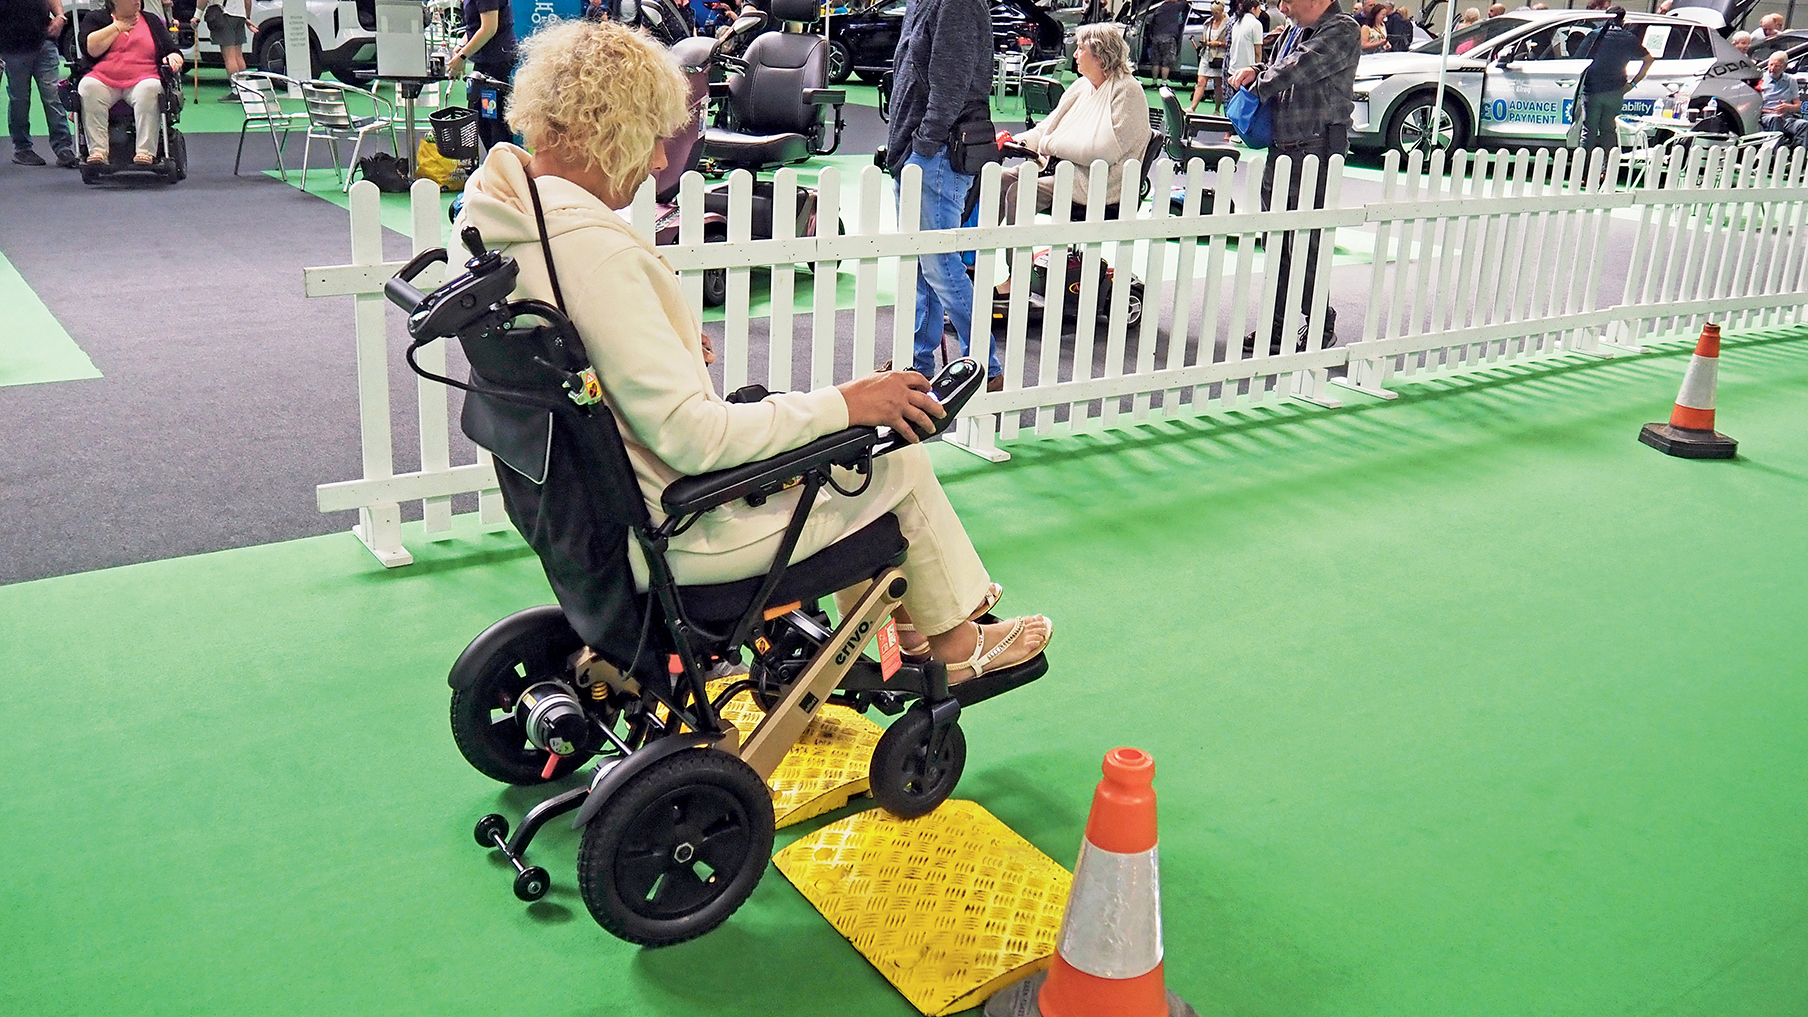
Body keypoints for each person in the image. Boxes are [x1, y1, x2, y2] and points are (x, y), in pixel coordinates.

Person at [457, 20, 1054, 682]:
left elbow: (587, 345)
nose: (660, 161)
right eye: (654, 139)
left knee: (852, 448)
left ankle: (915, 626)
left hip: (589, 522)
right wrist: (846, 403)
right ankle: (949, 642)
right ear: (611, 130)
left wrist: (666, 343)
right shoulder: (598, 254)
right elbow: (696, 437)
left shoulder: (500, 217)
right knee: (895, 466)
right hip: (677, 529)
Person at [1225, 0, 1358, 354]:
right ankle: (1278, 326)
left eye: (1287, 0)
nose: (1282, 7)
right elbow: (1278, 64)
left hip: (1316, 150)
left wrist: (1257, 83)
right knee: (1276, 243)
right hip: (1283, 147)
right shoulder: (1297, 28)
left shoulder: (1343, 29)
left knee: (1305, 244)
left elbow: (1300, 67)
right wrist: (1257, 69)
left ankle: (1319, 323)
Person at [989, 23, 1149, 297]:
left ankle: (1018, 279)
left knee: (1020, 192)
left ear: (1100, 54)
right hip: (1067, 171)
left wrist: (1050, 145)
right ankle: (972, 260)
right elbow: (1048, 128)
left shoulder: (1127, 91)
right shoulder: (1081, 87)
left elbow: (1103, 151)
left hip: (1099, 183)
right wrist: (1024, 142)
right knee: (1002, 180)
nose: (1075, 54)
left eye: (1081, 49)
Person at [886, 0, 999, 386]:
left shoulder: (957, 4)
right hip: (919, 151)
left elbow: (950, 83)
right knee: (923, 268)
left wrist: (924, 146)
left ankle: (988, 367)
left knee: (939, 266)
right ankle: (918, 364)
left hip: (936, 154)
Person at [77, 0, 182, 165]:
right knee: (88, 86)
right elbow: (91, 49)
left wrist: (174, 58)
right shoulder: (95, 18)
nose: (137, 1)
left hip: (143, 78)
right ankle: (98, 151)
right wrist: (117, 27)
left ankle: (145, 151)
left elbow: (172, 50)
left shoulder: (151, 20)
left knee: (151, 88)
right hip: (104, 79)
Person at [1, 0, 77, 166]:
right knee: (20, 99)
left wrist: (60, 16)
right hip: (11, 47)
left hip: (44, 41)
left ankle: (63, 147)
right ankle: (22, 148)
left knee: (53, 95)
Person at [1575, 6, 1652, 170]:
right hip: (1616, 90)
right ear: (1623, 20)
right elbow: (1649, 60)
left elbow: (1578, 60)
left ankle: (1583, 172)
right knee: (1609, 131)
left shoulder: (1595, 36)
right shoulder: (1628, 38)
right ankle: (1607, 171)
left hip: (1593, 90)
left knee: (1588, 131)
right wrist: (1633, 83)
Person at [449, 0, 519, 151]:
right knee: (482, 119)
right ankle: (497, 164)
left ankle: (504, 167)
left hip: (497, 61)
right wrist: (461, 46)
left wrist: (462, 57)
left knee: (494, 121)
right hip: (486, 61)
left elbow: (489, 28)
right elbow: (475, 26)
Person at [1188, 2, 1229, 113]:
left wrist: (1217, 43)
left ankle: (1217, 110)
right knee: (1201, 82)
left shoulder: (1228, 24)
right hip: (1206, 54)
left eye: (1216, 13)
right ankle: (1192, 108)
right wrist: (1205, 42)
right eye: (1212, 13)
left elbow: (1230, 43)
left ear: (1221, 12)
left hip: (1219, 57)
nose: (1213, 15)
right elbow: (1204, 35)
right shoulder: (1208, 23)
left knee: (1218, 84)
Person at [1757, 50, 1806, 144]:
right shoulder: (1760, 79)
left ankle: (1798, 155)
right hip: (1767, 116)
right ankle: (1776, 154)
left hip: (1786, 117)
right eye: (1771, 64)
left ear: (1785, 67)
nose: (1772, 68)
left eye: (1777, 66)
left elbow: (1798, 106)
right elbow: (1753, 106)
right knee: (1775, 119)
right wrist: (1771, 111)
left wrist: (1788, 107)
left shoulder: (1791, 81)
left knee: (1803, 125)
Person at [209, 0, 249, 100]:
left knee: (229, 56)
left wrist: (197, 15)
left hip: (225, 14)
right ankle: (243, 89)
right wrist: (247, 16)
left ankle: (236, 91)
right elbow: (248, 1)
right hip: (240, 15)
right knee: (238, 55)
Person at [1144, 0, 1187, 82]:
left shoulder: (1159, 8)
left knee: (1155, 62)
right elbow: (1185, 2)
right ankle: (1164, 83)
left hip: (1156, 38)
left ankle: (1154, 82)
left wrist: (1151, 36)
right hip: (1169, 38)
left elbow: (1151, 23)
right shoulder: (1176, 6)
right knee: (1166, 63)